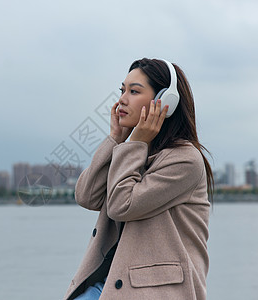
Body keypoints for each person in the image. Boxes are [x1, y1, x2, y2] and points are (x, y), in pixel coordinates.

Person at [63, 58, 213, 300]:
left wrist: (134, 144)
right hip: (107, 284)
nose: (122, 99)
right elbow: (87, 196)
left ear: (166, 102)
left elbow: (122, 205)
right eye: (122, 90)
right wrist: (115, 139)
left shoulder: (185, 160)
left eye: (134, 91)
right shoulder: (132, 152)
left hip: (156, 291)